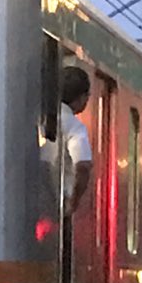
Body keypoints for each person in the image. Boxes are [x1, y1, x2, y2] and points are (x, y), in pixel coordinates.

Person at [58, 65, 94, 215]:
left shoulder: (38, 117)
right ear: (81, 97)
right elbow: (83, 166)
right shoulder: (75, 127)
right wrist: (74, 202)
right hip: (58, 202)